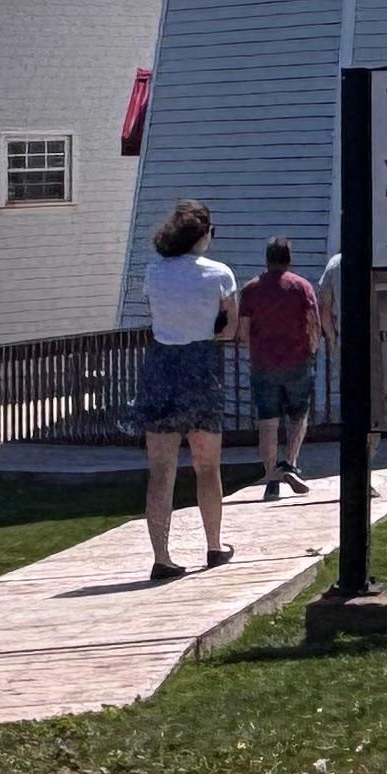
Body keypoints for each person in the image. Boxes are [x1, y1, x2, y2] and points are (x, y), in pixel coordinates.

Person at [137, 200, 241, 581]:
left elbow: (156, 315)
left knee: (161, 470)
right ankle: (213, 545)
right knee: (207, 466)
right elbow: (230, 330)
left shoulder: (154, 271)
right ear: (204, 234)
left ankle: (161, 556)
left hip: (160, 367)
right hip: (200, 365)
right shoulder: (220, 274)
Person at [240, 238, 322, 498]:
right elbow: (313, 322)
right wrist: (312, 350)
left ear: (267, 259)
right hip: (297, 360)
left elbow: (242, 330)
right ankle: (290, 462)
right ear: (289, 259)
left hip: (263, 363)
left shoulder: (251, 289)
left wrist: (253, 349)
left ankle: (271, 477)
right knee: (298, 415)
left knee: (268, 421)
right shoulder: (301, 286)